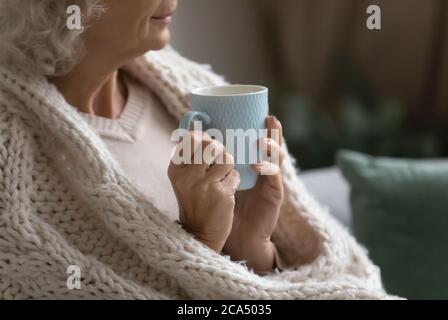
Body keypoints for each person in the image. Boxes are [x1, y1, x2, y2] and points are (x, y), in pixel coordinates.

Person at [0, 0, 393, 299]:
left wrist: (250, 246)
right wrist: (199, 239)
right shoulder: (12, 153)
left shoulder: (193, 87)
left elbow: (278, 286)